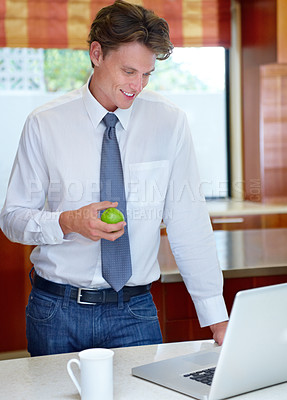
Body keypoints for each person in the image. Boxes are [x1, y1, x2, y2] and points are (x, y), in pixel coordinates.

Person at [0, 0, 228, 356]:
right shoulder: (45, 123)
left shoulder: (169, 123)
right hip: (56, 310)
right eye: (128, 71)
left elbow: (189, 224)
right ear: (96, 54)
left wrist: (217, 318)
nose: (138, 85)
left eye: (147, 74)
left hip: (134, 312)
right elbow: (12, 219)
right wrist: (67, 222)